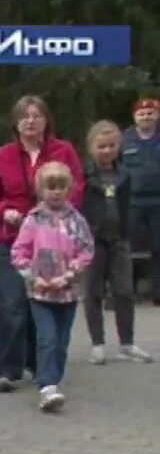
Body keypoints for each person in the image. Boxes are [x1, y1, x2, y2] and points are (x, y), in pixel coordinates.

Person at [0, 94, 84, 394]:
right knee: (13, 305)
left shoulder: (63, 151)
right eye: (25, 115)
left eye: (37, 115)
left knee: (45, 303)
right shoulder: (3, 156)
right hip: (11, 240)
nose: (31, 120)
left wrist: (59, 214)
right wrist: (4, 212)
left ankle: (41, 366)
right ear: (15, 122)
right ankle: (7, 370)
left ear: (46, 120)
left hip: (54, 243)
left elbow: (77, 189)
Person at [10, 162, 94, 413]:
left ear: (68, 189)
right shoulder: (33, 220)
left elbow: (86, 250)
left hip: (67, 293)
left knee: (61, 342)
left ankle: (52, 377)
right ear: (41, 190)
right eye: (50, 187)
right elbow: (19, 252)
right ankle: (48, 386)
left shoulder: (77, 220)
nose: (55, 192)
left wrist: (69, 275)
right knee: (46, 339)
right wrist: (33, 276)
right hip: (41, 293)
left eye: (60, 187)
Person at [81, 120, 152, 365]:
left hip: (119, 239)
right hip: (92, 240)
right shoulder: (84, 175)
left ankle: (127, 343)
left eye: (112, 146)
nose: (107, 150)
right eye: (101, 146)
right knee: (92, 292)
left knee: (124, 291)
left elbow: (126, 206)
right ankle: (97, 344)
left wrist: (127, 232)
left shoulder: (124, 175)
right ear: (92, 148)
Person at [122, 97, 160, 305]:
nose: (146, 117)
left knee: (159, 247)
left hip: (158, 201)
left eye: (150, 113)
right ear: (135, 117)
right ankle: (125, 292)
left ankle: (158, 292)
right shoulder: (124, 139)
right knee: (125, 247)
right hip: (132, 200)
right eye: (141, 114)